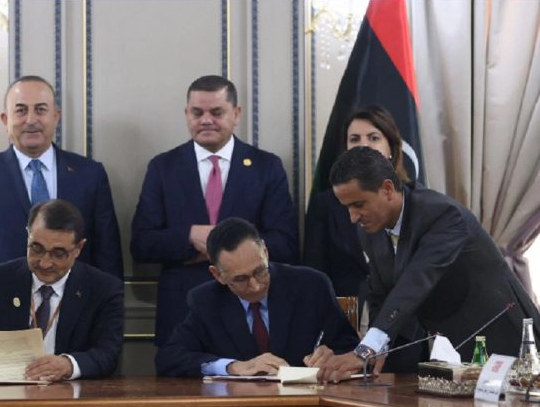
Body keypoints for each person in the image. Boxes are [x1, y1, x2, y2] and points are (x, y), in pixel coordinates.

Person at [318, 147, 540, 382]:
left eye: (359, 204)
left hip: (504, 336)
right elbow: (381, 294)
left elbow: (416, 281)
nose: (353, 217)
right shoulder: (370, 230)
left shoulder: (442, 215)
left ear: (388, 189)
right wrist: (375, 351)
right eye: (347, 207)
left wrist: (367, 349)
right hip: (453, 346)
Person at [131, 75, 298, 346]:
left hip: (251, 310)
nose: (206, 120)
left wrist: (232, 251)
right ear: (186, 114)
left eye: (216, 112)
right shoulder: (163, 167)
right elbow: (142, 243)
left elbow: (285, 243)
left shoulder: (266, 167)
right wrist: (189, 237)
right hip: (182, 314)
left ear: (236, 114)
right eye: (197, 113)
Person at [0, 75, 123, 301]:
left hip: (77, 308)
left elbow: (108, 253)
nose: (31, 120)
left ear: (55, 116)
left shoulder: (90, 174)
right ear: (5, 119)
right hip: (0, 309)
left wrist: (109, 311)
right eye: (21, 111)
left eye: (40, 110)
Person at [304, 106, 427, 372]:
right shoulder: (326, 205)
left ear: (391, 148)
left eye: (373, 138)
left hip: (402, 329)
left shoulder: (417, 204)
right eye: (354, 139)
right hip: (343, 325)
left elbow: (420, 276)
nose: (364, 145)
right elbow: (314, 271)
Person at [155, 218, 358, 377]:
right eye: (241, 279)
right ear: (217, 275)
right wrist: (232, 367)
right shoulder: (205, 300)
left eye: (260, 271)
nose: (255, 285)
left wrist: (333, 356)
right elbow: (168, 358)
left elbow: (349, 347)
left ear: (266, 253)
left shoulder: (311, 286)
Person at [0, 199, 123, 382]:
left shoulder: (103, 289)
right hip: (3, 392)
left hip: (71, 393)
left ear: (79, 248)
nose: (45, 263)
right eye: (36, 249)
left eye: (58, 254)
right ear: (27, 235)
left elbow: (107, 354)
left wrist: (69, 365)